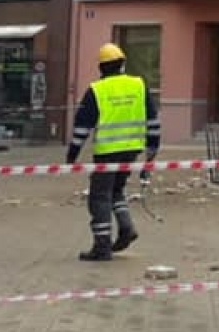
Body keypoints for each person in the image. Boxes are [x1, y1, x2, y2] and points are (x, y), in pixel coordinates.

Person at [66, 42, 161, 262]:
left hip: (107, 152)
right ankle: (127, 228)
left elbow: (82, 127)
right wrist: (153, 147)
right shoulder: (138, 85)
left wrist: (72, 154)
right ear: (123, 64)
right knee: (116, 190)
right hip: (132, 149)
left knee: (99, 197)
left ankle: (102, 246)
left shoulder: (96, 90)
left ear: (101, 68)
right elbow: (153, 118)